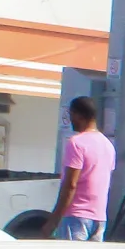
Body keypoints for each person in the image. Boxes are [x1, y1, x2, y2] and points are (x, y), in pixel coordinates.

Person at [43, 97, 113, 240]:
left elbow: (70, 185)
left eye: (71, 115)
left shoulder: (76, 143)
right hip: (99, 217)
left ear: (78, 115)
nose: (70, 120)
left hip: (76, 216)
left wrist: (53, 221)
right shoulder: (108, 146)